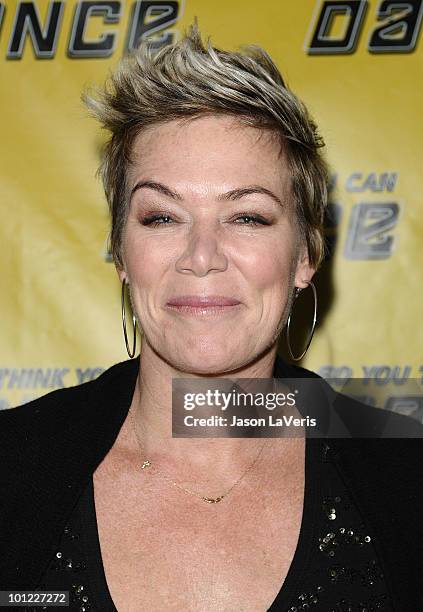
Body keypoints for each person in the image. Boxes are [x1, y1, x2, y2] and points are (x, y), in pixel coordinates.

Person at [1, 22, 423, 612]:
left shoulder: (406, 477)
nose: (202, 257)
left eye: (247, 217)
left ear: (305, 255)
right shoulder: (12, 468)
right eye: (162, 217)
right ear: (121, 252)